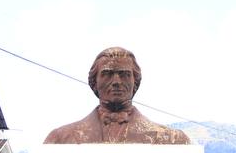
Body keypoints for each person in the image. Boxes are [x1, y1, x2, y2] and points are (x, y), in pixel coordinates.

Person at [43, 47, 192, 144]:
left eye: (124, 74)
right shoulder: (58, 140)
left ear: (135, 81)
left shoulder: (173, 141)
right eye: (107, 74)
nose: (116, 81)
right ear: (94, 82)